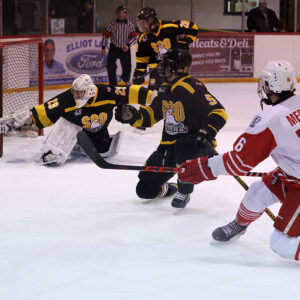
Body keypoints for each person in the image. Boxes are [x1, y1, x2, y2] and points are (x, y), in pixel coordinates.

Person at [179, 60, 300, 261]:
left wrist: (202, 168)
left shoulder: (271, 119)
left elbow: (239, 162)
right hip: (292, 173)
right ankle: (240, 225)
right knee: (257, 192)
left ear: (270, 86)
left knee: (281, 243)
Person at [115, 49, 227, 208]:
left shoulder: (192, 86)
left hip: (196, 148)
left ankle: (184, 190)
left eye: (166, 65)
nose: (162, 68)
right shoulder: (165, 89)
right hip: (169, 148)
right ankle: (170, 188)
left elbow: (219, 112)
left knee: (183, 145)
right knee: (145, 189)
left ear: (178, 68)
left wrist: (206, 132)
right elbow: (152, 115)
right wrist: (133, 116)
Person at [0, 74, 154, 166]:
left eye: (80, 93)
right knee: (68, 125)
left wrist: (153, 97)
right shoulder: (68, 99)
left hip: (98, 130)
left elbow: (130, 91)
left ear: (89, 91)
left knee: (104, 150)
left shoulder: (106, 93)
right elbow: (45, 111)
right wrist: (21, 121)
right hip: (72, 131)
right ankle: (56, 148)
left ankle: (80, 145)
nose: (76, 96)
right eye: (75, 92)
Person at [133, 7, 198, 91]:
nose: (141, 26)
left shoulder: (170, 26)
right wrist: (139, 75)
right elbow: (142, 60)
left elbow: (192, 26)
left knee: (178, 91)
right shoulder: (143, 38)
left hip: (175, 67)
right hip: (156, 70)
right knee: (152, 95)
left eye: (143, 23)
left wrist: (184, 41)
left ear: (151, 20)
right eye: (139, 23)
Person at [102, 6, 138, 86]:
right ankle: (113, 84)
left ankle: (126, 80)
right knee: (110, 66)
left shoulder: (130, 24)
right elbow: (105, 35)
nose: (120, 15)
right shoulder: (112, 24)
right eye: (119, 13)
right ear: (117, 14)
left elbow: (135, 37)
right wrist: (103, 47)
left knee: (127, 67)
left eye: (122, 13)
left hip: (125, 48)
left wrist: (128, 45)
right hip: (114, 47)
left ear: (125, 14)